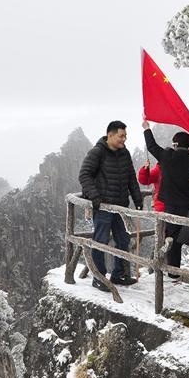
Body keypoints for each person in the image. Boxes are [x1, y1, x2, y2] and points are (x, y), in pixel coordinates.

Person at [78, 120, 143, 291]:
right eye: (121, 136)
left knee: (123, 239)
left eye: (125, 136)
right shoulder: (97, 152)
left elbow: (131, 177)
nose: (124, 139)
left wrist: (138, 199)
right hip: (104, 207)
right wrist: (95, 197)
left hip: (119, 206)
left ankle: (118, 274)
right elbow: (84, 175)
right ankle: (99, 277)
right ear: (110, 135)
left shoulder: (125, 153)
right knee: (101, 241)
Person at [142, 121, 189, 276]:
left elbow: (152, 146)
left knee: (172, 241)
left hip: (171, 207)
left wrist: (147, 129)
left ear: (175, 144)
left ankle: (173, 272)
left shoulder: (167, 157)